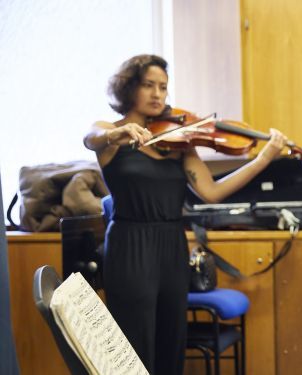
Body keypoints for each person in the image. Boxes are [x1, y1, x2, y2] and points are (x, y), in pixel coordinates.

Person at [83, 54, 287, 374]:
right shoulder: (111, 135)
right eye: (148, 85)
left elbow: (212, 192)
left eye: (163, 87)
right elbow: (90, 137)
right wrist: (118, 134)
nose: (157, 94)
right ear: (128, 88)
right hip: (129, 243)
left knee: (171, 339)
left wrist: (263, 159)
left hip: (171, 243)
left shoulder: (178, 142)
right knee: (133, 342)